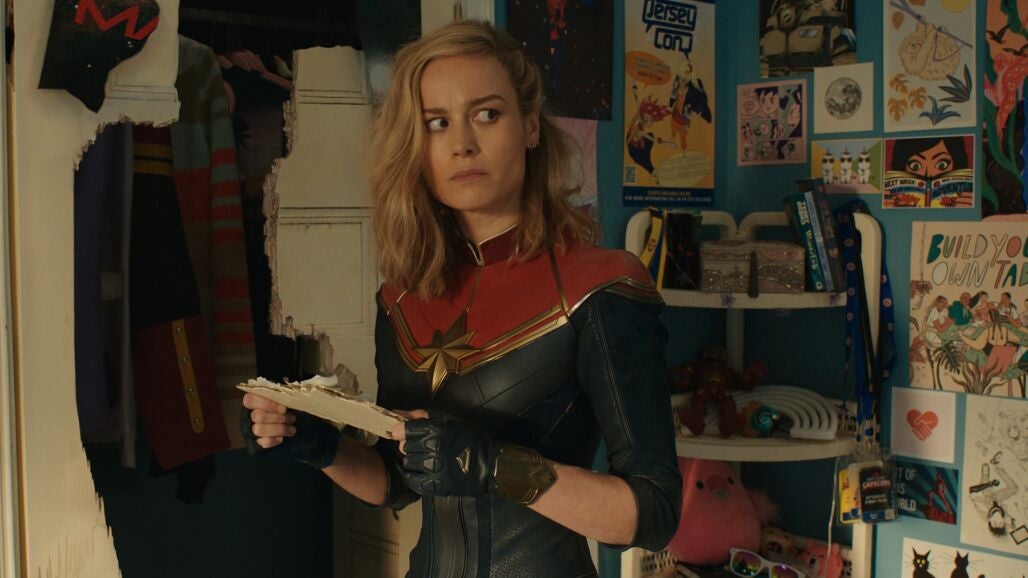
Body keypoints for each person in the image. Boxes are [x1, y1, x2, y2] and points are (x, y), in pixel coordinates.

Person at [241, 20, 682, 577]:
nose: (462, 143)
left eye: (487, 114)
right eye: (436, 123)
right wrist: (319, 446)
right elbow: (398, 480)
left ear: (529, 126)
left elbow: (654, 512)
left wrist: (493, 465)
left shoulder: (600, 285)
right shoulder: (401, 297)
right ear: (416, 146)